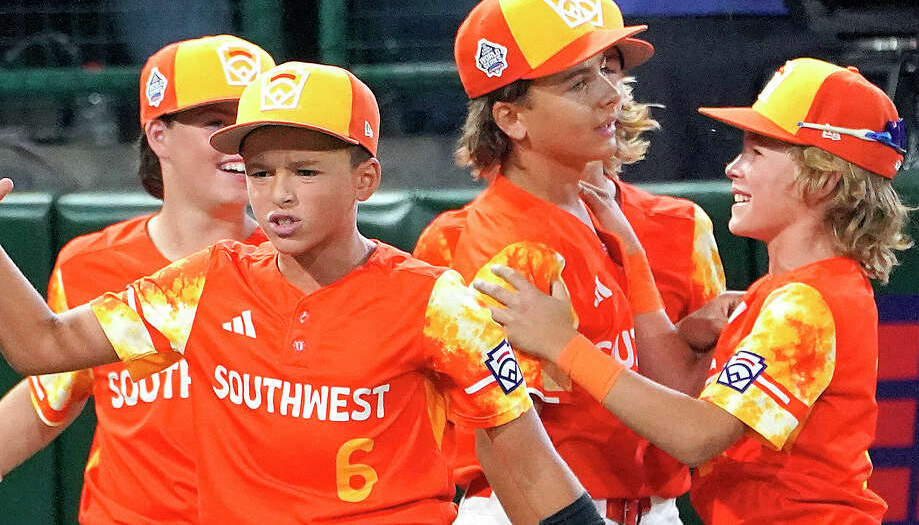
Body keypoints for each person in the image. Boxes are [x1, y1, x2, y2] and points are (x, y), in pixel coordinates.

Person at [0, 61, 606, 525]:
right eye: (261, 173)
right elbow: (42, 347)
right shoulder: (201, 283)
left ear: (365, 178)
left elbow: (528, 472)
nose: (278, 195)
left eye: (306, 171)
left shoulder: (438, 306)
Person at [475, 57, 913, 524]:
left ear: (823, 179)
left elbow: (695, 436)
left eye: (757, 153)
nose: (733, 168)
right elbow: (675, 382)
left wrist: (564, 345)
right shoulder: (796, 289)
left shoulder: (806, 302)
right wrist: (631, 251)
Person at [441, 0, 734, 523]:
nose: (613, 96)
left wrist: (690, 339)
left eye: (611, 69)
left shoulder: (666, 225)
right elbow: (509, 443)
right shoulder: (487, 243)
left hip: (660, 508)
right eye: (579, 81)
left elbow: (693, 413)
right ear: (510, 118)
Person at [0, 34, 273, 523]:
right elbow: (50, 397)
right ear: (158, 134)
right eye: (216, 122)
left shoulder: (297, 265)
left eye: (253, 126)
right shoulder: (91, 264)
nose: (239, 142)